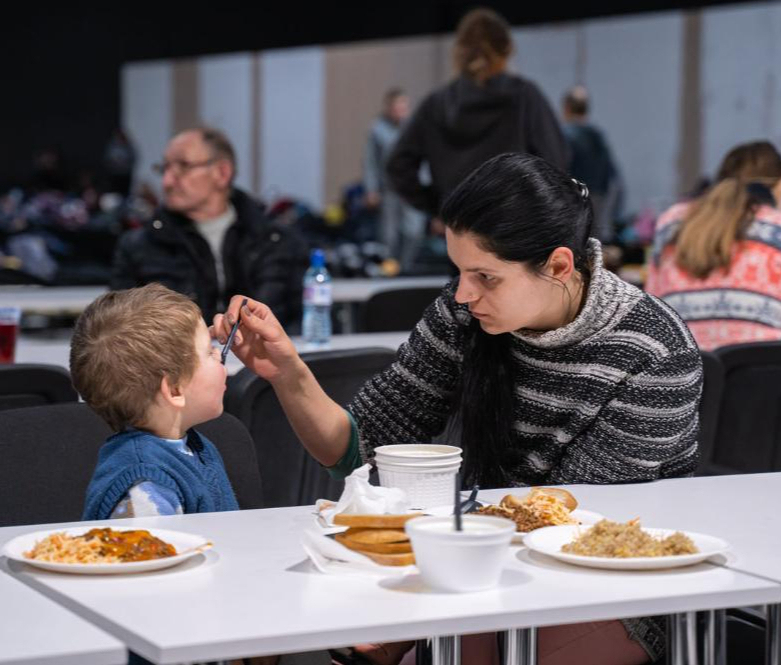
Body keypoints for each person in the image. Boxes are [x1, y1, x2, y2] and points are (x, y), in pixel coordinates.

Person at [214, 152, 702, 664]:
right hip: (484, 557)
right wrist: (288, 372)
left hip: (616, 581)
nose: (465, 293)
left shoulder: (654, 349)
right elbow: (356, 450)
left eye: (486, 277)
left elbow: (572, 526)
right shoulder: (464, 314)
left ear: (558, 265)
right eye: (459, 271)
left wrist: (423, 576)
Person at [71, 283, 239, 521]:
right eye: (209, 352)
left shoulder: (192, 445)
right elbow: (150, 556)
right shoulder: (146, 485)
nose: (221, 357)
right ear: (174, 389)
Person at [110, 127, 307, 328]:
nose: (167, 181)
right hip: (179, 359)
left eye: (183, 166)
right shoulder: (137, 246)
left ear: (222, 173)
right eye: (165, 168)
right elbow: (120, 330)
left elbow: (306, 324)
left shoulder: (279, 242)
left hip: (266, 358)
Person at [386, 8, 569, 219]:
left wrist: (439, 206)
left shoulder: (435, 104)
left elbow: (397, 166)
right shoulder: (524, 97)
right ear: (507, 49)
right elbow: (556, 161)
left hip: (460, 225)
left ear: (458, 53)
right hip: (514, 224)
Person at [646, 140, 781, 351]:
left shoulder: (670, 222)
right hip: (762, 370)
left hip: (685, 371)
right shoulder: (776, 224)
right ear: (777, 186)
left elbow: (653, 306)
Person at [363, 88, 427, 271]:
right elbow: (370, 162)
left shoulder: (415, 128)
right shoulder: (377, 129)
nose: (402, 111)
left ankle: (406, 267)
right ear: (389, 108)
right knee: (388, 235)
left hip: (412, 188)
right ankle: (390, 269)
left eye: (404, 107)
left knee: (414, 230)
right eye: (397, 107)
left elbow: (424, 157)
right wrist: (371, 189)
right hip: (389, 189)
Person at [562, 86, 619, 244]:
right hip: (597, 199)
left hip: (571, 198)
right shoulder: (598, 135)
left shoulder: (564, 133)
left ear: (566, 107)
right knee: (593, 246)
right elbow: (612, 173)